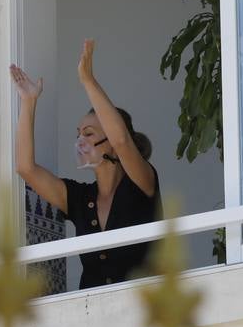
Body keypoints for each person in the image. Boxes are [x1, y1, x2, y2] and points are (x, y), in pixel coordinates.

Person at [10, 39, 160, 289]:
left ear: (110, 141)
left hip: (142, 313)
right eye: (78, 133)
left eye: (89, 133)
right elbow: (25, 168)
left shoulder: (141, 182)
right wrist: (28, 102)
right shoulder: (80, 198)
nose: (80, 140)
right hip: (91, 315)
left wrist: (88, 80)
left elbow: (122, 141)